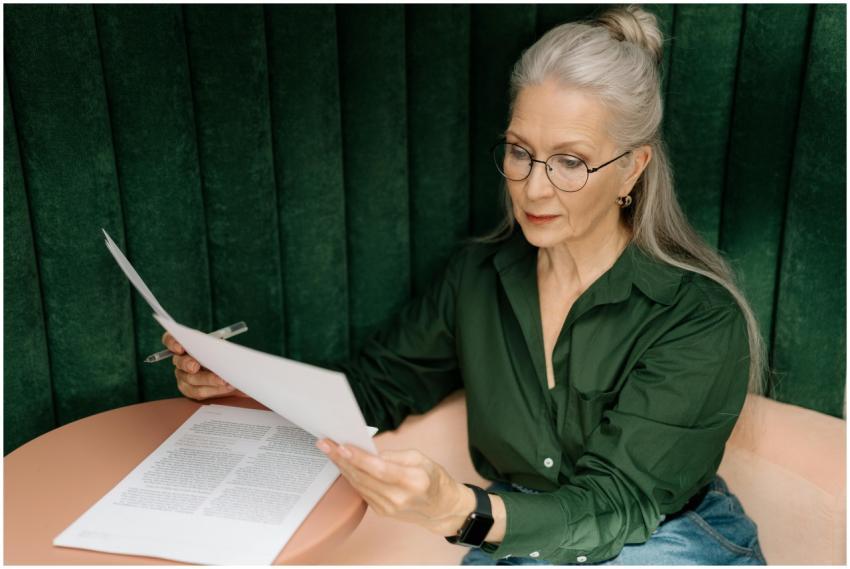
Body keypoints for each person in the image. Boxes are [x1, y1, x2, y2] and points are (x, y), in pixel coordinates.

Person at [163, 5, 768, 565]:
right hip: (515, 530)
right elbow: (373, 389)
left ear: (631, 169)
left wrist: (462, 510)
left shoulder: (698, 317)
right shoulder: (476, 277)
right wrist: (239, 380)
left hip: (660, 536)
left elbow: (615, 505)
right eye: (520, 152)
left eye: (570, 161)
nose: (533, 189)